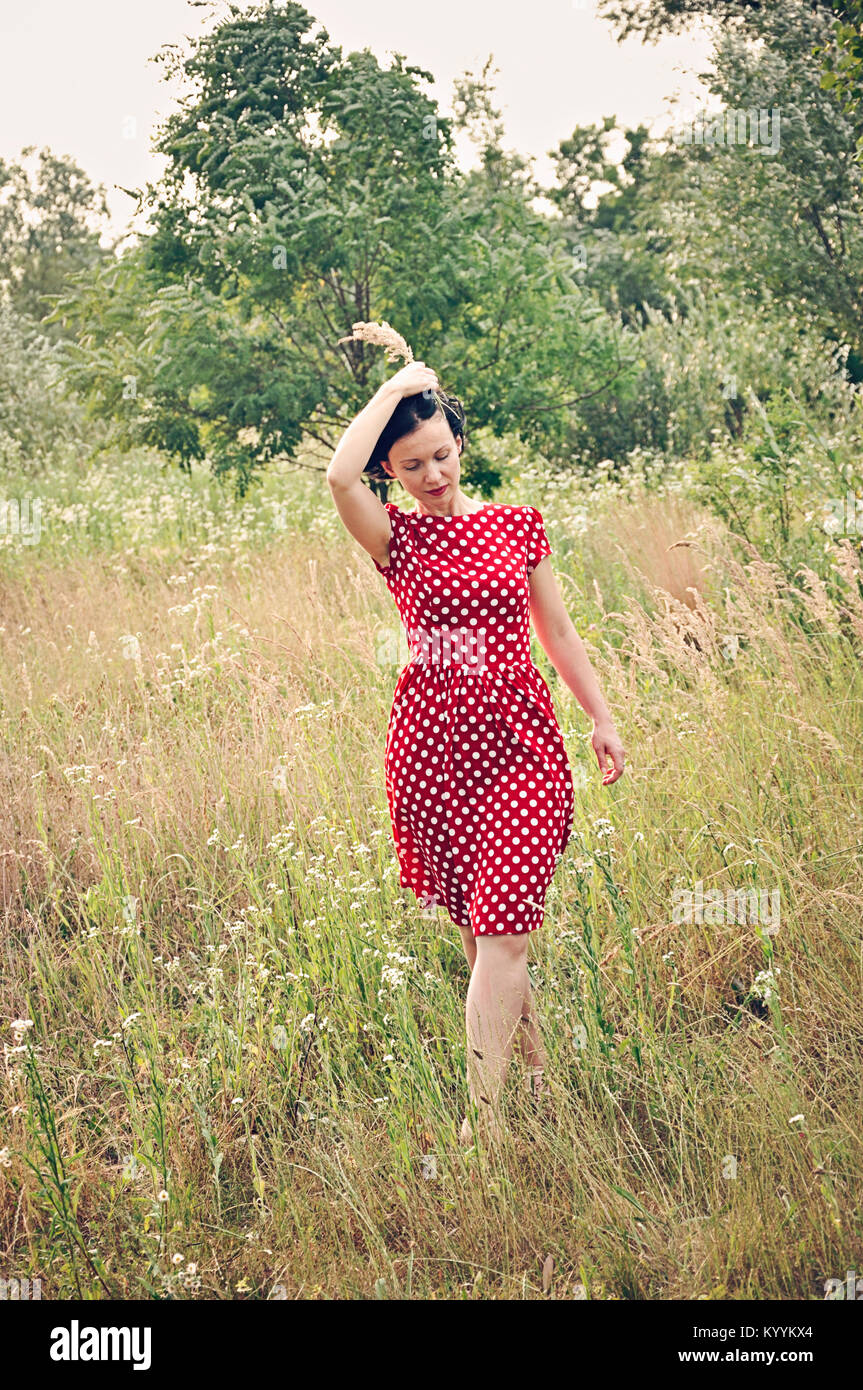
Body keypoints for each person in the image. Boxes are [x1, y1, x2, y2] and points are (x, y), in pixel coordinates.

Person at [326, 361, 625, 1146]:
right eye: (410, 464)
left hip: (521, 747)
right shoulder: (395, 536)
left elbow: (556, 634)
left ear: (460, 443)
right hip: (431, 749)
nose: (430, 474)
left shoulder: (517, 524)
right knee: (482, 930)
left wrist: (600, 716)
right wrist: (392, 391)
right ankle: (535, 1079)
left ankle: (483, 1126)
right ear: (389, 472)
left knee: (502, 931)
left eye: (440, 454)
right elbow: (335, 475)